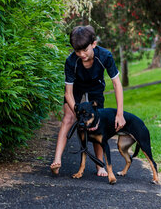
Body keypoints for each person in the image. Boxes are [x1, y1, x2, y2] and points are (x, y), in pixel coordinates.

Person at [50, 25, 126, 176]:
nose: (81, 54)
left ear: (94, 44)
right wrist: (78, 114)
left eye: (85, 50)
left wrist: (120, 113)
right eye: (77, 51)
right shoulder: (72, 61)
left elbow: (117, 84)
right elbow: (68, 93)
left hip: (95, 86)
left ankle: (99, 165)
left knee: (97, 122)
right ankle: (57, 160)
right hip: (77, 87)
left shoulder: (105, 56)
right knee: (68, 118)